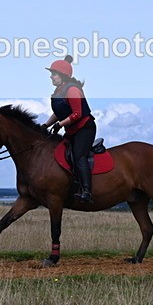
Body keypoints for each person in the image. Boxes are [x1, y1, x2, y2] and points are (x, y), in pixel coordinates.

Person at [42, 55, 96, 203]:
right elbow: (59, 113)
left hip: (84, 128)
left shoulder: (72, 90)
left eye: (54, 74)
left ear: (63, 76)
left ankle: (87, 192)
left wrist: (60, 124)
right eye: (51, 74)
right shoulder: (59, 91)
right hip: (72, 130)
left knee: (78, 156)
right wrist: (45, 125)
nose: (51, 77)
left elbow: (77, 114)